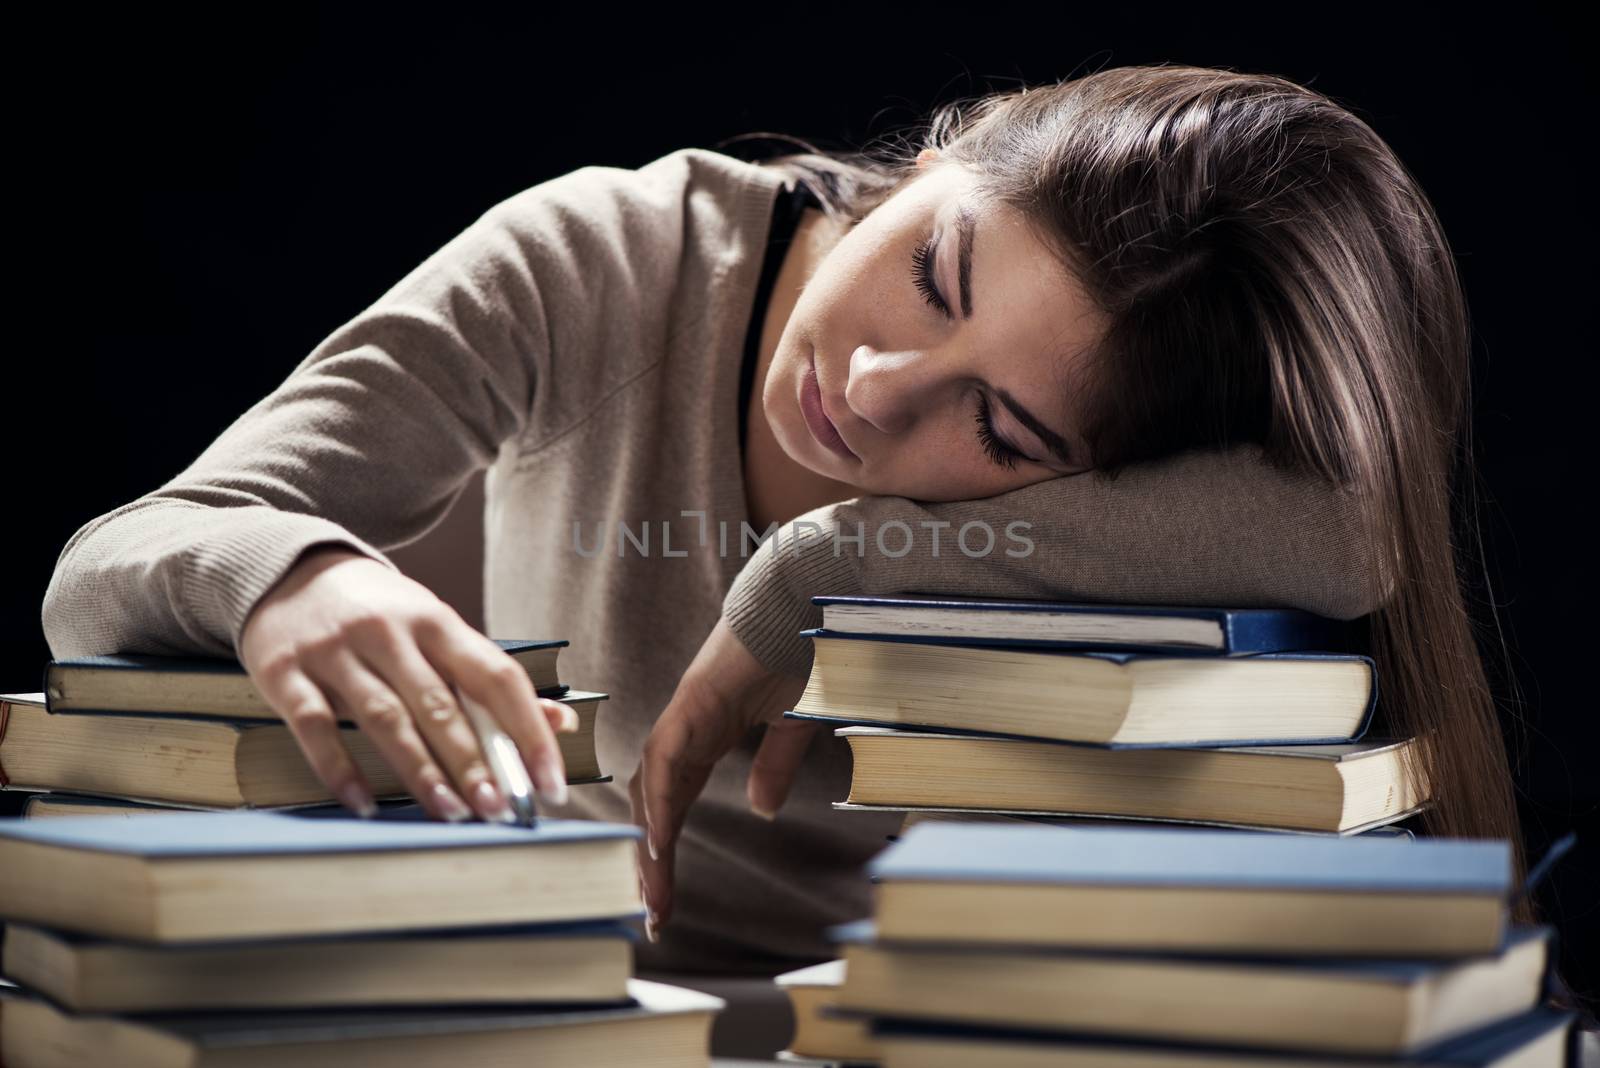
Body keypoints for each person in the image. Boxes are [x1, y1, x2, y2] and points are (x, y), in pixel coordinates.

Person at [41, 64, 1531, 975]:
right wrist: (289, 572)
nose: (877, 391)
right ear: (951, 150)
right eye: (936, 274)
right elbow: (106, 567)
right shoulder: (611, 260)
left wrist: (839, 558)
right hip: (566, 1004)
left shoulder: (1132, 456)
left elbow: (1355, 539)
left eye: (997, 430)